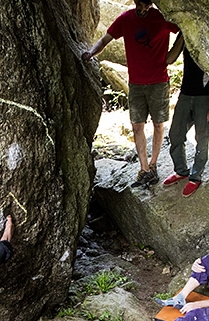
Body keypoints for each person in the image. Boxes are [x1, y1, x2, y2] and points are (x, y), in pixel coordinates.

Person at [82, 0, 179, 188]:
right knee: (137, 126)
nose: (143, 9)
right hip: (136, 83)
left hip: (159, 81)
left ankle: (153, 165)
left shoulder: (161, 18)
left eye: (147, 6)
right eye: (140, 5)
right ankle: (144, 169)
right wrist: (90, 53)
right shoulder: (126, 19)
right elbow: (105, 40)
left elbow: (183, 29)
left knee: (158, 125)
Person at [163, 33, 209, 198]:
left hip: (204, 97)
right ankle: (181, 171)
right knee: (175, 134)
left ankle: (195, 177)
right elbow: (169, 59)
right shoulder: (186, 35)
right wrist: (183, 36)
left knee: (202, 138)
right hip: (185, 95)